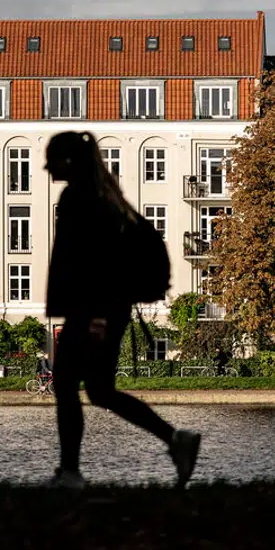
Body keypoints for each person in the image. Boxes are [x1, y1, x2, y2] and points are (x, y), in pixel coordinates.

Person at [44, 130, 201, 489]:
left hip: (93, 311)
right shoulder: (101, 197)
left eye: (51, 157)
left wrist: (95, 317)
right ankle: (175, 440)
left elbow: (92, 264)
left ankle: (70, 472)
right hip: (106, 309)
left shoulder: (80, 200)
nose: (45, 164)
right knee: (98, 390)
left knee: (68, 384)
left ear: (68, 162)